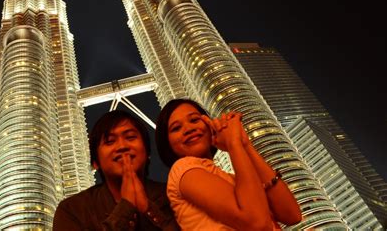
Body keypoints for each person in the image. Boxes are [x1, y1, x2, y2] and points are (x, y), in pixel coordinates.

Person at [155, 99, 302, 230]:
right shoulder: (183, 168)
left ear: (209, 124)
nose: (189, 129)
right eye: (176, 128)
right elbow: (257, 223)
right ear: (167, 143)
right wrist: (234, 144)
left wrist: (245, 144)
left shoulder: (235, 181)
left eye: (194, 120)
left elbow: (292, 215)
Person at [53, 110, 180, 230]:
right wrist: (126, 208)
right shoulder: (73, 209)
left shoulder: (172, 194)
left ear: (147, 153)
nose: (122, 146)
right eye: (110, 141)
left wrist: (148, 209)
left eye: (130, 137)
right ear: (95, 162)